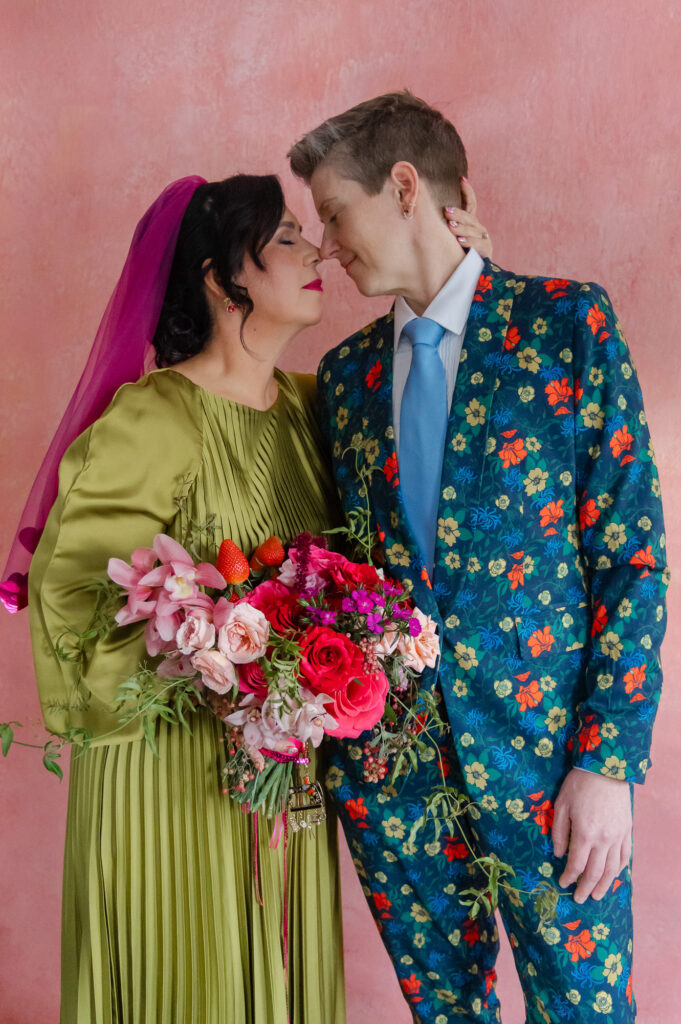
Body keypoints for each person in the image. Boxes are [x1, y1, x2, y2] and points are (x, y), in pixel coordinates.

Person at [1, 170, 491, 1023]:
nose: (317, 255)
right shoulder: (154, 418)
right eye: (289, 241)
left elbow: (441, 402)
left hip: (282, 781)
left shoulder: (314, 406)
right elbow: (69, 597)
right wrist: (208, 642)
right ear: (222, 279)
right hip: (168, 776)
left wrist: (469, 270)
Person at [288, 92, 668, 1023]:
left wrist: (609, 764)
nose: (329, 245)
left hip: (551, 770)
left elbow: (632, 559)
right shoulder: (343, 381)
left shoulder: (565, 325)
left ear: (404, 187)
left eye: (335, 213)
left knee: (585, 1011)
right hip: (395, 779)